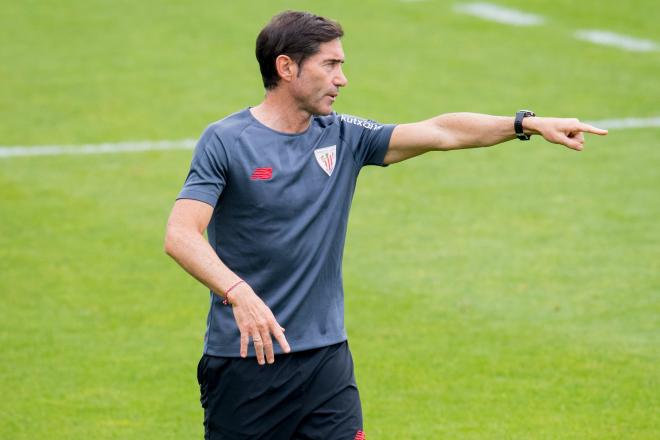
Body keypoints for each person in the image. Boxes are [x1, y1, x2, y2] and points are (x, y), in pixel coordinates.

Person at [164, 10, 608, 440]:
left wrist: (525, 124)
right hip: (247, 360)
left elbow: (441, 132)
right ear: (286, 67)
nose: (342, 79)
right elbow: (182, 234)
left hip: (326, 359)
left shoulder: (343, 134)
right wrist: (238, 294)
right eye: (330, 64)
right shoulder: (226, 140)